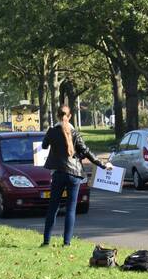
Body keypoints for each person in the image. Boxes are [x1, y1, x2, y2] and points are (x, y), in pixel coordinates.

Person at [41, 105, 111, 247]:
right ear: (70, 115)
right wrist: (102, 164)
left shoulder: (52, 131)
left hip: (58, 173)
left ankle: (46, 241)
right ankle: (67, 243)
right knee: (71, 209)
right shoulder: (75, 133)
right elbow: (86, 151)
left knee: (53, 208)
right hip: (74, 174)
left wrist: (50, 134)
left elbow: (43, 146)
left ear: (57, 115)